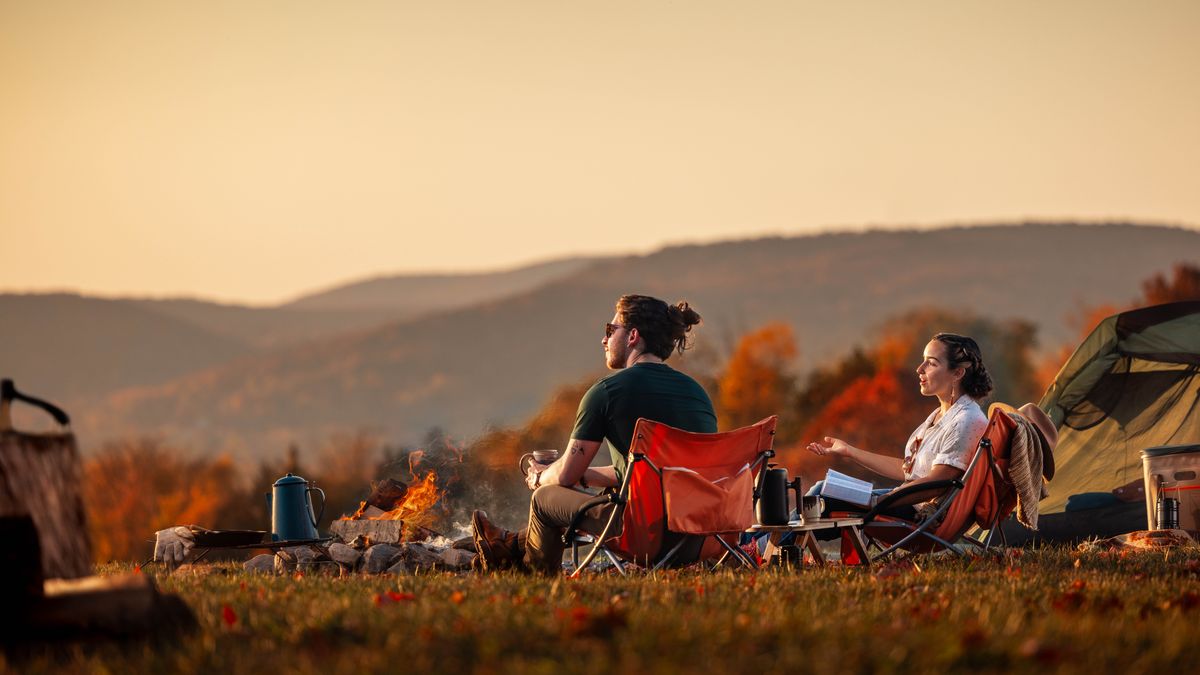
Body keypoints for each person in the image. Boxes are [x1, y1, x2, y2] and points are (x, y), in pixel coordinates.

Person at [471, 294, 718, 573]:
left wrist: (541, 476)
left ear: (633, 336)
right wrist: (586, 474)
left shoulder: (607, 392)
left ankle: (532, 574)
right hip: (702, 536)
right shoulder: (698, 394)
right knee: (607, 491)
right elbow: (657, 471)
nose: (604, 340)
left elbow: (565, 476)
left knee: (544, 499)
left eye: (610, 331)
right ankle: (509, 546)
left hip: (647, 537)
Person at [805, 333, 993, 520]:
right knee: (824, 488)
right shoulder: (941, 416)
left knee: (823, 495)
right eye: (923, 361)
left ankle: (781, 543)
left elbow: (939, 482)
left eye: (932, 363)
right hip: (903, 500)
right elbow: (908, 470)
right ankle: (782, 543)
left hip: (917, 512)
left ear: (957, 373)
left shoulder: (966, 421)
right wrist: (849, 451)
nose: (920, 369)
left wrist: (880, 501)